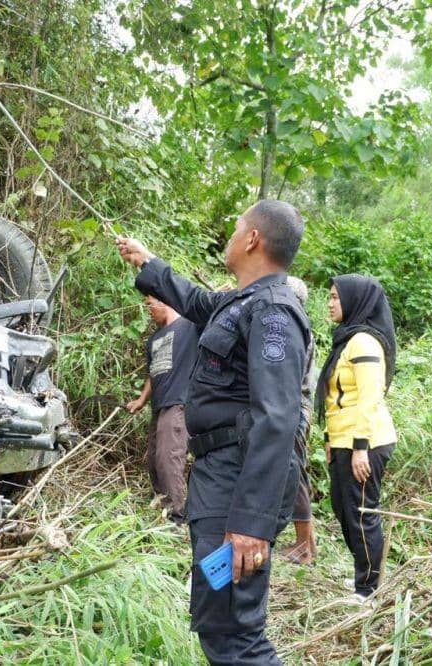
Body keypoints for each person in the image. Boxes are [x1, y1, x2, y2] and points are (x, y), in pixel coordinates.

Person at [116, 200, 309, 666]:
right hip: (218, 481)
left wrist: (250, 523)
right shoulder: (238, 302)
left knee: (233, 634)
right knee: (218, 621)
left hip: (237, 489)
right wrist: (146, 261)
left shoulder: (274, 313)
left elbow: (277, 419)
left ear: (252, 240)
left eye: (235, 229)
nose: (229, 237)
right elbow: (193, 299)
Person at [316, 274, 397, 602]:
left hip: (366, 442)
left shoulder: (364, 342)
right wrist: (329, 438)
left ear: (354, 301)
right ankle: (364, 576)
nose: (331, 303)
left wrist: (360, 447)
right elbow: (336, 397)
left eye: (336, 297)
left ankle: (369, 589)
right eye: (331, 297)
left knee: (362, 513)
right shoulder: (347, 339)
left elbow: (368, 397)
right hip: (344, 441)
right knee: (343, 508)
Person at [126, 296, 198, 525]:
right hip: (159, 404)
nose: (148, 310)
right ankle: (162, 506)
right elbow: (152, 373)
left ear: (164, 300)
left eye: (149, 304)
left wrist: (218, 292)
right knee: (154, 460)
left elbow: (204, 307)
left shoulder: (188, 326)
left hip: (178, 403)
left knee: (169, 458)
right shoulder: (154, 339)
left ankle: (176, 517)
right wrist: (141, 400)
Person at [277, 275, 317, 565]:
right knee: (289, 470)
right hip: (292, 406)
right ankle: (303, 541)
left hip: (294, 406)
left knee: (294, 470)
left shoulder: (294, 328)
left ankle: (306, 544)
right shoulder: (297, 325)